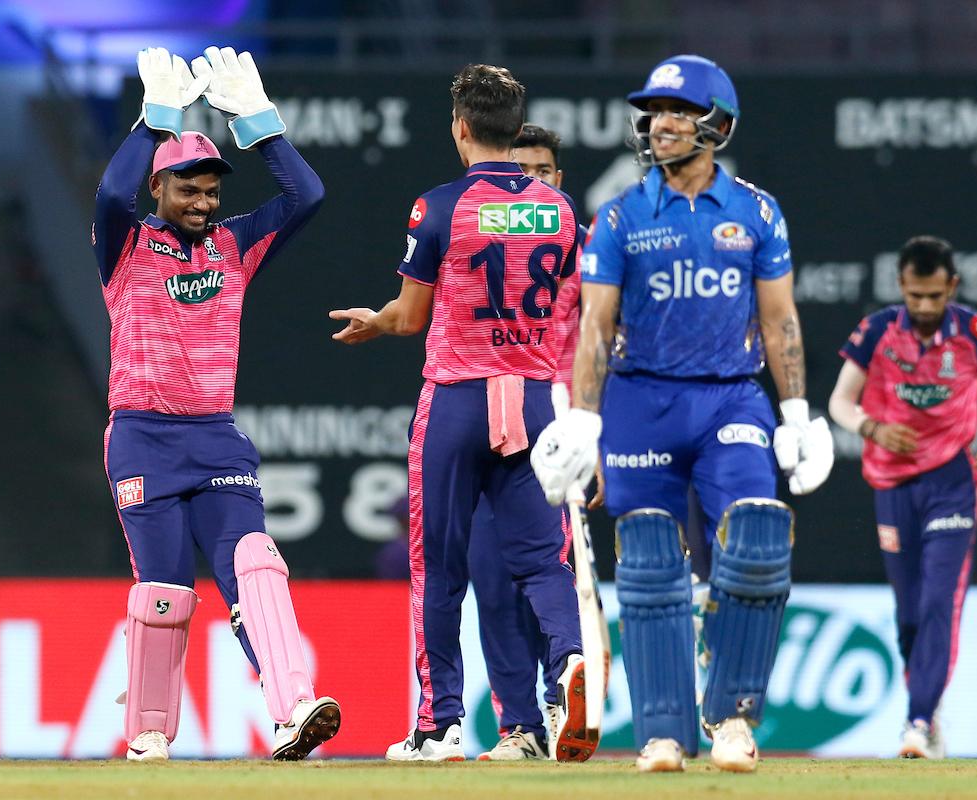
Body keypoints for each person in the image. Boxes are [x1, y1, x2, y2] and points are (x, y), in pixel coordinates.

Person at [531, 54, 834, 773]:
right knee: (650, 567)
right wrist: (583, 418)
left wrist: (795, 412)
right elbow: (596, 327)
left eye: (679, 112)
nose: (659, 124)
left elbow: (780, 320)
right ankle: (664, 734)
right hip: (640, 400)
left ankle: (731, 718)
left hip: (732, 394)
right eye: (654, 112)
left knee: (758, 543)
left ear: (718, 125)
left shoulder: (757, 212)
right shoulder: (622, 215)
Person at [330, 65, 588, 763]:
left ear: (462, 129)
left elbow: (411, 317)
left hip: (459, 397)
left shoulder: (438, 206)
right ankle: (568, 663)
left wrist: (377, 321)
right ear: (514, 127)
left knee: (438, 569)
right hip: (534, 399)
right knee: (541, 559)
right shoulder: (559, 212)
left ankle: (438, 725)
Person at [93, 45, 338, 762]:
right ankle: (147, 734)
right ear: (159, 189)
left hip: (216, 440)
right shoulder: (125, 246)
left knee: (255, 562)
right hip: (141, 439)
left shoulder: (236, 245)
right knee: (163, 594)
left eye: (210, 191)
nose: (202, 202)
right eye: (186, 189)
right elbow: (110, 195)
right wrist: (153, 122)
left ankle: (293, 708)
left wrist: (260, 125)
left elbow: (307, 198)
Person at [828, 235, 977, 759]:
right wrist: (873, 428)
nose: (926, 307)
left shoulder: (976, 333)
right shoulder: (877, 331)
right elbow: (840, 401)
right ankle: (927, 714)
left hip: (952, 481)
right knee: (909, 610)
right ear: (901, 288)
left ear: (951, 287)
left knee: (939, 601)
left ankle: (917, 720)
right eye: (916, 296)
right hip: (892, 484)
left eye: (935, 296)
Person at [466, 123, 592, 761]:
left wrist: (596, 436)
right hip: (481, 419)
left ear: (560, 180)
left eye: (544, 171)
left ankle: (559, 698)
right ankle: (521, 728)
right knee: (490, 580)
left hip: (556, 425)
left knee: (543, 568)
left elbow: (608, 352)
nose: (533, 183)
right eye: (521, 171)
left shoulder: (587, 251)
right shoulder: (472, 238)